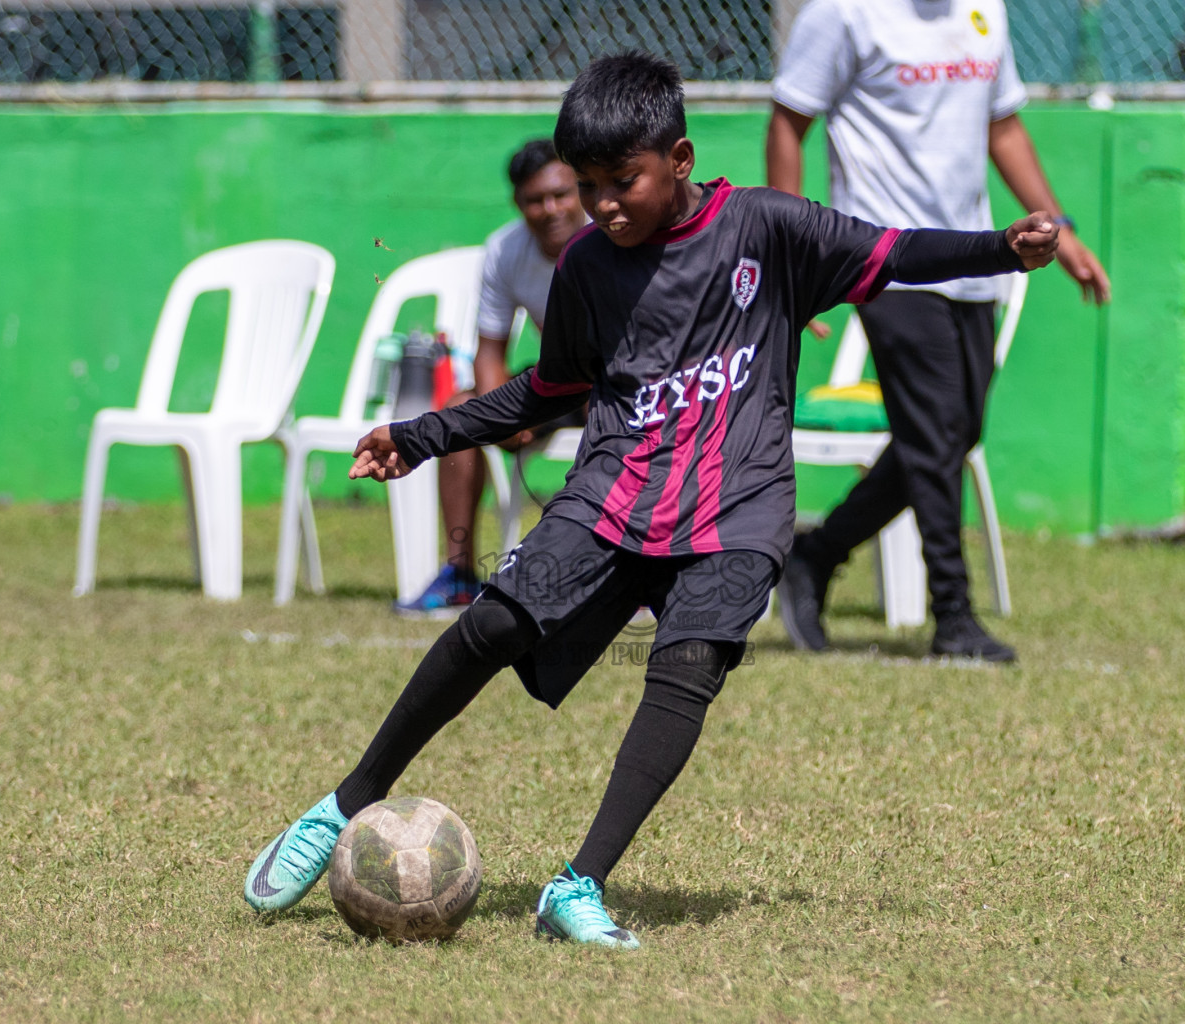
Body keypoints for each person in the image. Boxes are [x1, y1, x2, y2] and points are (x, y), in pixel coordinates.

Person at [244, 51, 1059, 948]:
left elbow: (894, 251)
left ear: (678, 157)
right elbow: (550, 389)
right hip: (617, 490)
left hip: (741, 505)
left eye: (620, 181)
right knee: (495, 624)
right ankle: (340, 807)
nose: (601, 205)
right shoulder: (589, 267)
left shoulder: (767, 226)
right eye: (588, 185)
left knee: (690, 664)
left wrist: (999, 251)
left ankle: (578, 886)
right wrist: (423, 433)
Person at [766, 0, 1112, 661]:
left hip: (972, 257)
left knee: (954, 434)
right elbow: (789, 122)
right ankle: (953, 617)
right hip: (884, 258)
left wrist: (1060, 231)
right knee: (932, 437)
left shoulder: (985, 9)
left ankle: (815, 553)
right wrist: (794, 251)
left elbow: (1003, 128)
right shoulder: (843, 14)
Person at [396, 138, 589, 617]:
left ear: (581, 189)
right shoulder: (505, 249)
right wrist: (502, 414)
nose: (550, 208)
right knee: (459, 410)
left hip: (621, 383)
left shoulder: (609, 233)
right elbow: (489, 351)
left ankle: (642, 579)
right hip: (558, 381)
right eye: (534, 200)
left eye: (561, 194)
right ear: (518, 204)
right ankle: (459, 573)